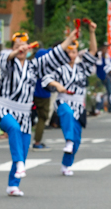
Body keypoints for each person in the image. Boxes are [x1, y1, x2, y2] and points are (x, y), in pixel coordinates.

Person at [0, 31, 76, 196]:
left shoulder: (34, 65)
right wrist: (15, 52)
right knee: (14, 129)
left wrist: (69, 39)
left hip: (24, 112)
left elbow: (53, 56)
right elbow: (5, 58)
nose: (21, 49)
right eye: (17, 46)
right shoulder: (7, 60)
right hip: (5, 108)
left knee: (24, 147)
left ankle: (13, 185)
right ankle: (18, 163)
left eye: (24, 46)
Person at [41, 20, 98, 175]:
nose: (70, 55)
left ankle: (66, 164)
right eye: (67, 52)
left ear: (77, 53)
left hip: (79, 105)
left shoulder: (82, 67)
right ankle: (68, 140)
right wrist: (57, 85)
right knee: (66, 113)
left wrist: (92, 32)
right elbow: (46, 79)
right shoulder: (57, 67)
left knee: (77, 139)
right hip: (63, 101)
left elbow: (93, 51)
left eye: (73, 52)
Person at [31, 47, 53, 150]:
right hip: (44, 95)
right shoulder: (47, 69)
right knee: (42, 118)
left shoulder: (32, 68)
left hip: (32, 95)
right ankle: (37, 141)